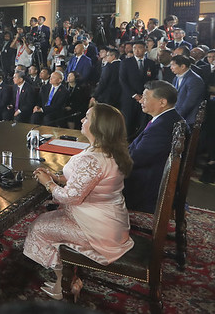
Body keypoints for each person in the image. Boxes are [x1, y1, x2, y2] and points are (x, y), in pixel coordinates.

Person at [24, 103, 134, 300]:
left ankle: (64, 283)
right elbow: (87, 181)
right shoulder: (109, 151)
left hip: (97, 228)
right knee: (48, 220)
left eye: (87, 117)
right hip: (111, 221)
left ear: (98, 127)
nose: (82, 120)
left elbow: (71, 197)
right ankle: (68, 275)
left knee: (38, 227)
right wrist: (58, 178)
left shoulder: (93, 159)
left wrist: (48, 183)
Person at [124, 80, 184, 214]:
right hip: (152, 176)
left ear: (162, 102)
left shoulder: (162, 127)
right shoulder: (168, 119)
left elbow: (136, 159)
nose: (141, 101)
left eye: (145, 98)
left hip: (146, 188)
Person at [118, 40, 158, 137]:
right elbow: (123, 81)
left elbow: (153, 80)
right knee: (128, 123)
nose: (136, 50)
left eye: (139, 48)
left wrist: (145, 95)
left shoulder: (151, 63)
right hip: (129, 97)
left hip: (145, 98)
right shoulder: (126, 62)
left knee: (143, 122)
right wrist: (134, 95)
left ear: (145, 49)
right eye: (134, 48)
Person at [170, 54, 205, 126]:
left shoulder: (194, 79)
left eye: (173, 65)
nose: (171, 68)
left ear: (183, 66)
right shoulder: (176, 78)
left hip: (190, 119)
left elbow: (190, 101)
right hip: (178, 116)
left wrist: (177, 116)